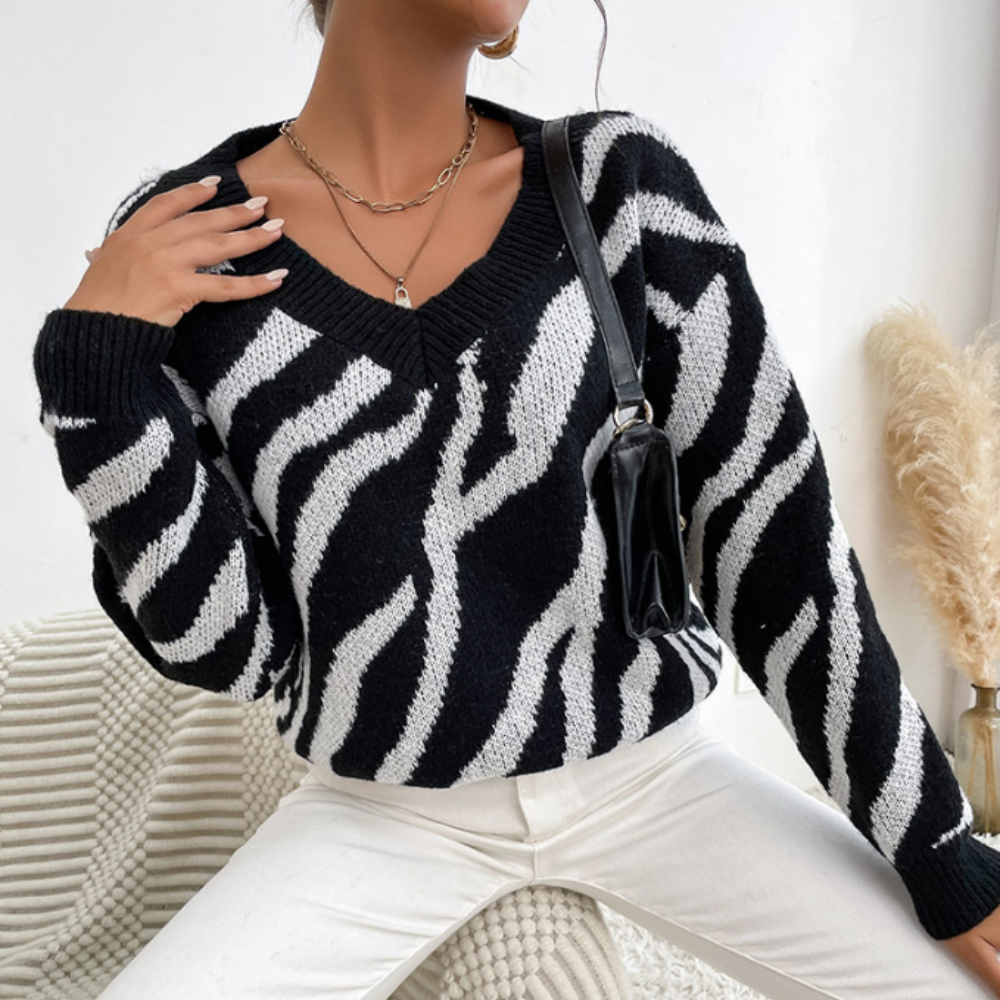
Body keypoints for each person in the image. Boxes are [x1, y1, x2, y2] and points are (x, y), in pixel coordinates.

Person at [30, 0, 1000, 997]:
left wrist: (936, 846)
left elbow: (781, 544)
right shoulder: (189, 238)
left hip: (654, 780)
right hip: (377, 814)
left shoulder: (619, 186)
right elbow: (233, 651)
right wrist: (94, 370)